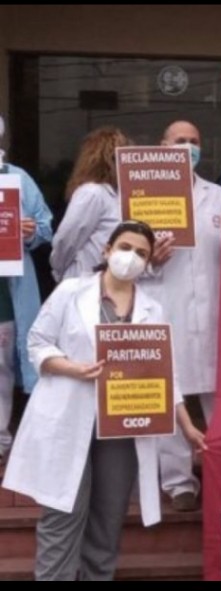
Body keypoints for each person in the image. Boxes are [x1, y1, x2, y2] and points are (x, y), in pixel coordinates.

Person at [1, 220, 206, 580]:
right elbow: (37, 342)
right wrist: (72, 368)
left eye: (141, 253)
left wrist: (187, 426)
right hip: (69, 417)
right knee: (62, 515)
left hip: (122, 425)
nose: (131, 257)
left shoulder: (152, 309)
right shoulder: (71, 291)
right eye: (125, 248)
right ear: (107, 250)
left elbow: (163, 374)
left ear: (148, 262)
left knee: (108, 519)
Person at [145, 121, 221, 512]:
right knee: (171, 392)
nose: (187, 147)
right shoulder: (144, 199)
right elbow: (123, 260)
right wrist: (150, 260)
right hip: (167, 307)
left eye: (194, 141)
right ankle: (179, 482)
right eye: (179, 141)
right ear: (162, 147)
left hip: (214, 311)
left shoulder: (218, 196)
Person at [0, 114, 55, 464]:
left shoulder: (17, 180)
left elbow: (46, 226)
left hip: (5, 293)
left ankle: (0, 441)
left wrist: (30, 230)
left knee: (0, 369)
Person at [50, 127, 133, 282]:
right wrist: (59, 270)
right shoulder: (92, 193)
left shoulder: (119, 195)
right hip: (86, 281)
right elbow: (66, 240)